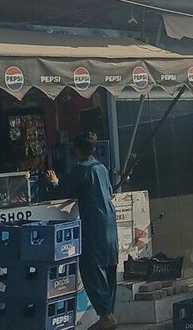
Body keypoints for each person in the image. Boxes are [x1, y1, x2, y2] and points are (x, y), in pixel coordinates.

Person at [46, 133, 119, 330]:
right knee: (109, 267)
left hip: (94, 225)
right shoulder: (101, 168)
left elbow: (62, 191)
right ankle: (108, 313)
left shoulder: (82, 169)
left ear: (77, 151)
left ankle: (105, 316)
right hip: (110, 223)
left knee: (91, 268)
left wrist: (53, 181)